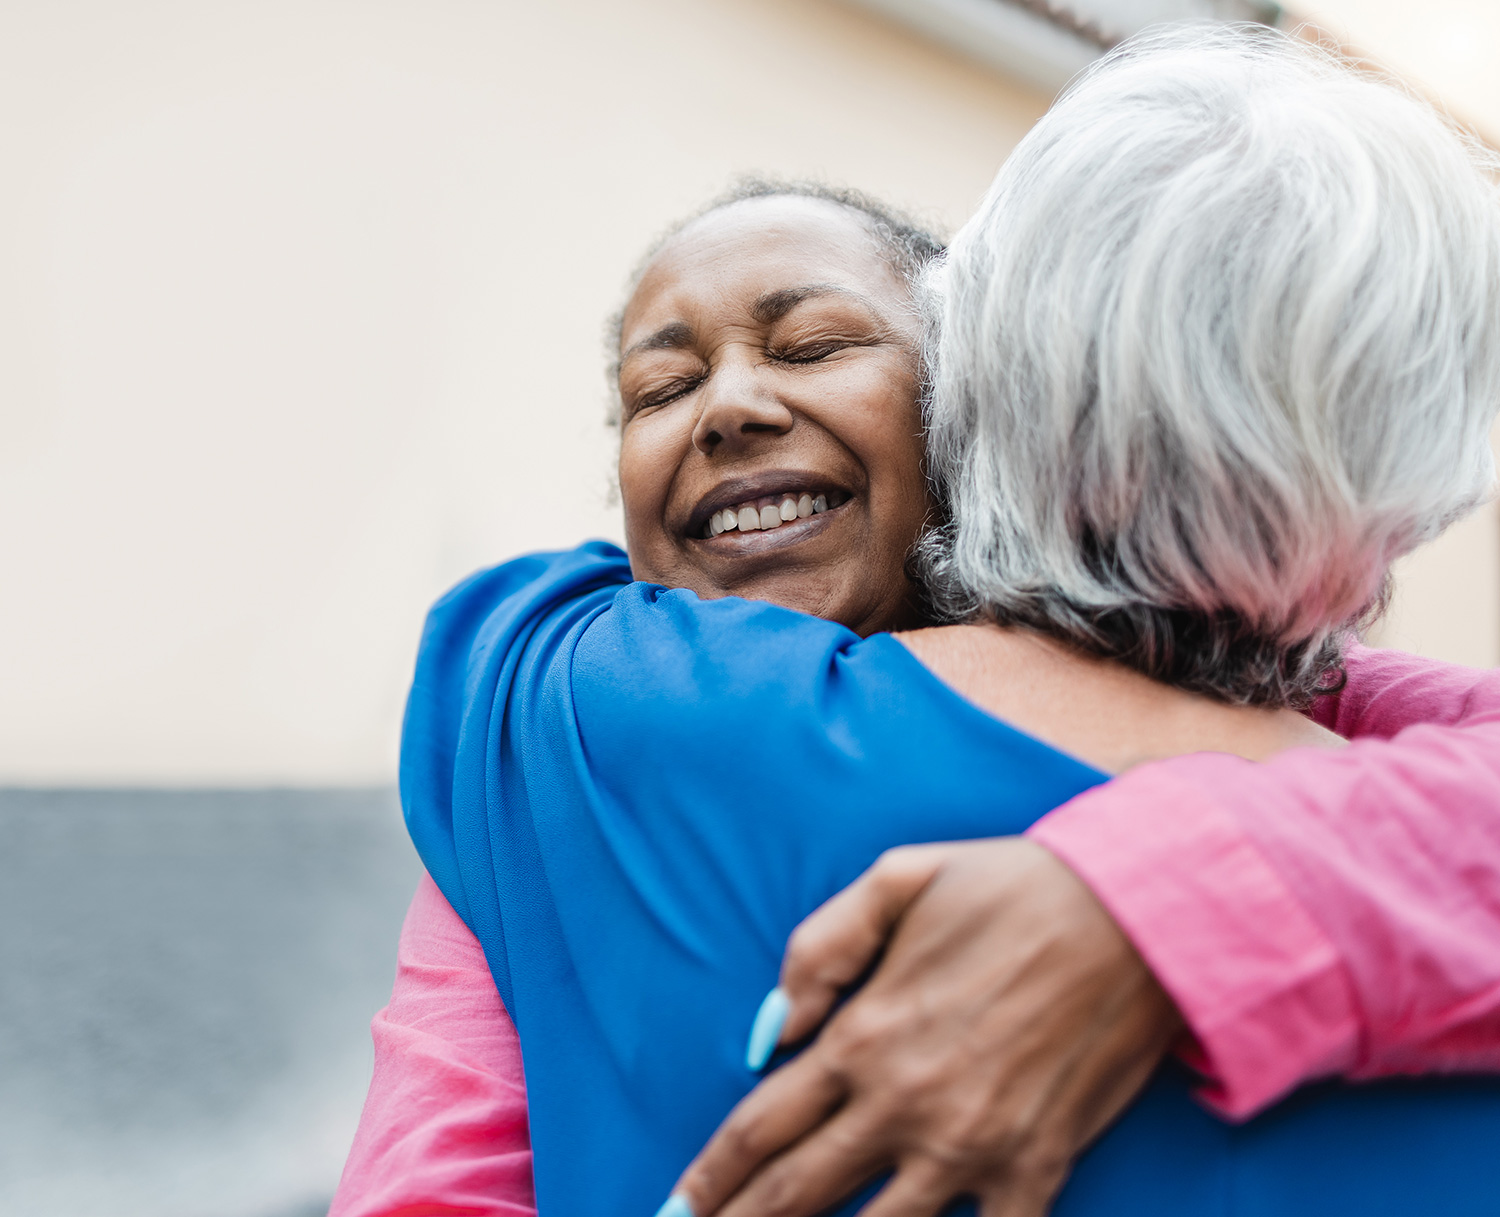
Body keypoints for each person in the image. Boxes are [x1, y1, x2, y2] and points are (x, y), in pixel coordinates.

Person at [332, 28, 1500, 1217]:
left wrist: (1162, 902)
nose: (730, 405)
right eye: (660, 389)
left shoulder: (564, 707)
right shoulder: (561, 753)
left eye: (819, 345)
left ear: (970, 397)